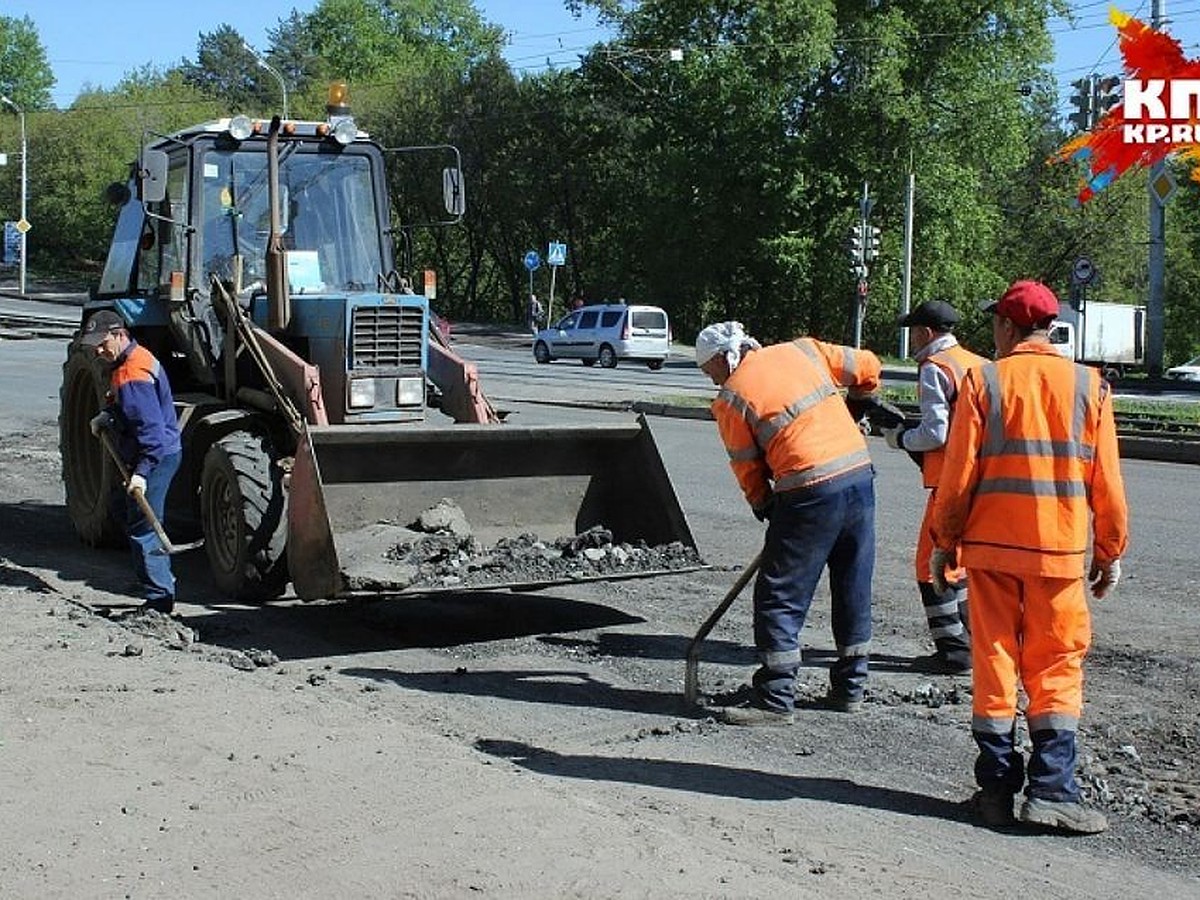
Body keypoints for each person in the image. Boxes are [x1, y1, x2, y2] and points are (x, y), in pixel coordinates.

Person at [930, 280, 1128, 833]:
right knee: (1057, 664)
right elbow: (1107, 482)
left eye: (995, 323)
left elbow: (958, 476)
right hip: (1060, 556)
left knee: (994, 662)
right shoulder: (1090, 386)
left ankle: (994, 791)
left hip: (991, 552)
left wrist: (945, 543)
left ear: (1009, 328)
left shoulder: (984, 382)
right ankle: (1052, 791)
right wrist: (1109, 551)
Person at [696, 321, 883, 726]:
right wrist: (857, 408)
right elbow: (868, 365)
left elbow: (747, 467)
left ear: (721, 359)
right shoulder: (803, 350)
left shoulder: (731, 398)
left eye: (708, 371)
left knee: (778, 593)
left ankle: (775, 698)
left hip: (808, 489)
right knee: (852, 584)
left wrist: (765, 506)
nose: (710, 380)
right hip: (858, 475)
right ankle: (851, 688)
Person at [882, 300, 985, 674]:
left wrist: (900, 438)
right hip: (985, 480)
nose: (910, 340)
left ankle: (954, 652)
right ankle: (973, 643)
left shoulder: (934, 368)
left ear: (926, 333)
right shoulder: (979, 363)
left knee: (932, 566)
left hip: (952, 483)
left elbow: (935, 433)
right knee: (964, 564)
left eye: (912, 332)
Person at [82, 310, 183, 614]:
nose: (97, 350)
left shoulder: (132, 374)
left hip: (156, 456)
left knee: (145, 527)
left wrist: (142, 472)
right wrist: (110, 415)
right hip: (153, 451)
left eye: (102, 343)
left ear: (119, 334)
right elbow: (131, 411)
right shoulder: (128, 360)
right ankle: (154, 580)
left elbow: (151, 433)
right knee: (122, 509)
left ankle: (159, 600)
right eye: (94, 345)